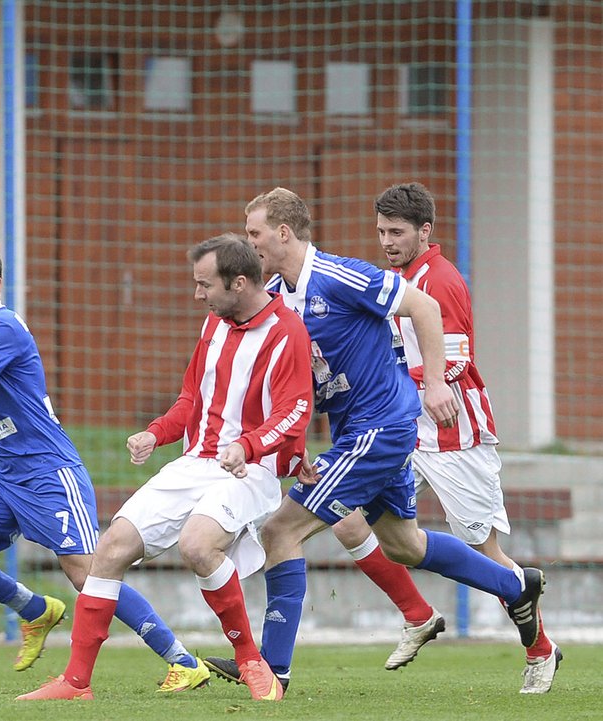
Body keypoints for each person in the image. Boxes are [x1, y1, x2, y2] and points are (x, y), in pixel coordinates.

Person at [232, 187, 545, 693]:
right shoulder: (277, 296)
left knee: (280, 532)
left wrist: (439, 381)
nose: (251, 244)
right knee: (404, 544)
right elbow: (296, 380)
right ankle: (515, 584)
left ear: (283, 233)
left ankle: (272, 671)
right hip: (365, 428)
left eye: (255, 234)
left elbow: (421, 307)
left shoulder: (338, 276)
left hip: (382, 427)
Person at [0, 242, 205, 692]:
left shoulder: (2, 327)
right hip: (7, 474)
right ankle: (35, 610)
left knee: (89, 574)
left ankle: (183, 660)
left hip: (48, 472)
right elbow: (7, 390)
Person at [17, 233, 313, 702]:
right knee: (111, 546)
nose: (198, 295)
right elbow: (191, 398)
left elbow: (296, 411)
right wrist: (156, 432)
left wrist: (249, 446)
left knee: (198, 545)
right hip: (197, 462)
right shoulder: (213, 325)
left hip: (250, 470)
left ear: (238, 283)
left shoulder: (286, 331)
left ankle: (252, 664)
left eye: (204, 285)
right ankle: (75, 683)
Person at [373, 181, 560, 692]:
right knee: (348, 515)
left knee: (484, 552)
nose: (387, 241)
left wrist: (388, 382)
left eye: (397, 232)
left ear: (424, 231)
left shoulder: (442, 281)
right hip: (403, 430)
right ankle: (417, 614)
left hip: (456, 434)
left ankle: (541, 649)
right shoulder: (394, 279)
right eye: (382, 231)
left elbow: (453, 362)